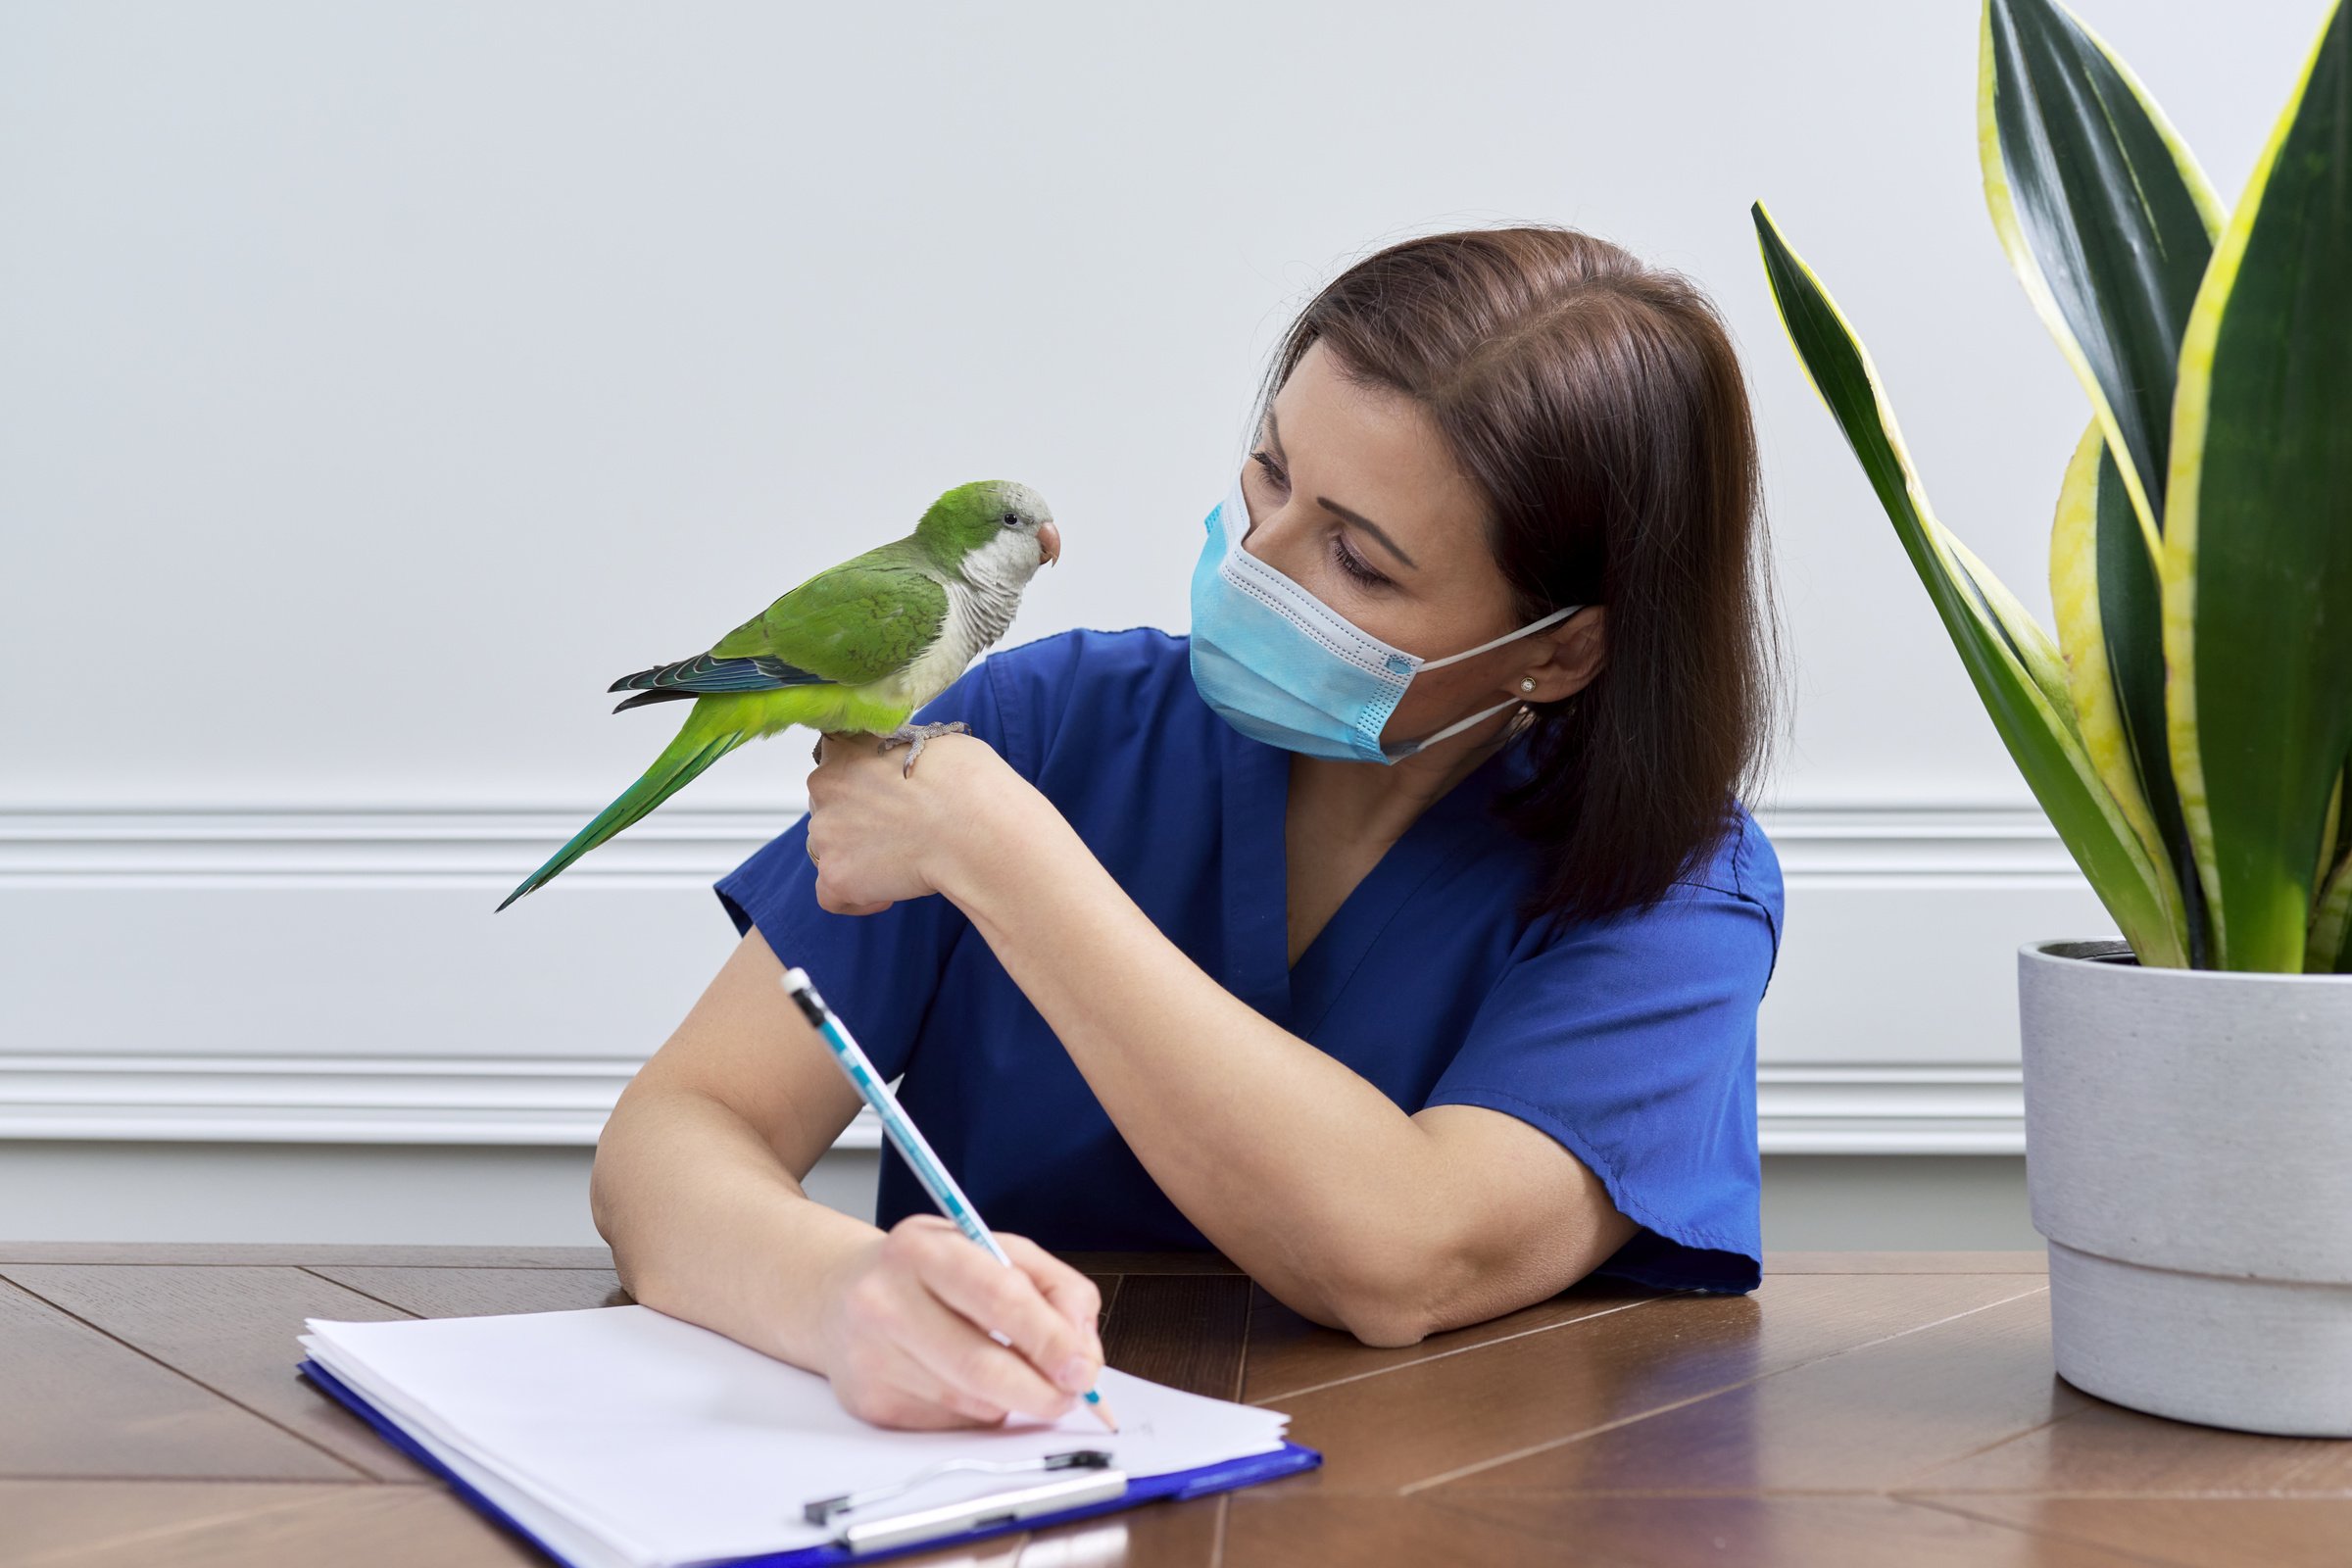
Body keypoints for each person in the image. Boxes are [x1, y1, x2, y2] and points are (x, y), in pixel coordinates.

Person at [590, 225, 1786, 1433]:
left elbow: (1403, 1258)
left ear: (1560, 648)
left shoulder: (1675, 895)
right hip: (989, 1488)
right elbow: (674, 1136)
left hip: (1432, 1501)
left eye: (1357, 561)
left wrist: (1006, 856)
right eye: (1269, 473)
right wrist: (840, 1297)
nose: (1255, 560)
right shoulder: (1036, 724)